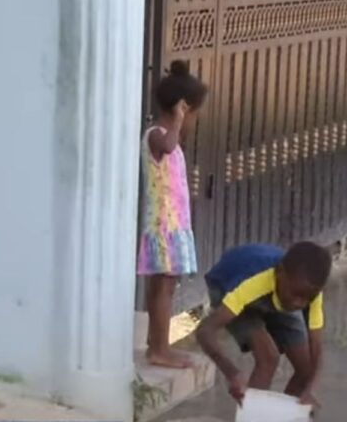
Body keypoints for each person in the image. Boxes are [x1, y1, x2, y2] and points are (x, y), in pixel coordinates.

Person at [196, 242, 332, 408]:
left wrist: (310, 390)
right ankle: (253, 416)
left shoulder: (305, 291)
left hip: (275, 293)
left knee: (306, 368)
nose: (299, 303)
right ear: (280, 273)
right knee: (268, 356)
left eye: (307, 298)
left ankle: (286, 416)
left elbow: (317, 350)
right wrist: (232, 373)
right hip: (227, 284)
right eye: (296, 295)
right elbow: (204, 330)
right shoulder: (253, 283)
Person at [137, 59, 208, 369]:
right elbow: (167, 145)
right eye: (192, 113)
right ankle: (160, 350)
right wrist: (178, 120)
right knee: (163, 286)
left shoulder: (168, 140)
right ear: (182, 108)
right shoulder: (157, 135)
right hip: (163, 225)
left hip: (172, 224)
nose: (192, 120)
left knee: (163, 286)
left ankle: (156, 345)